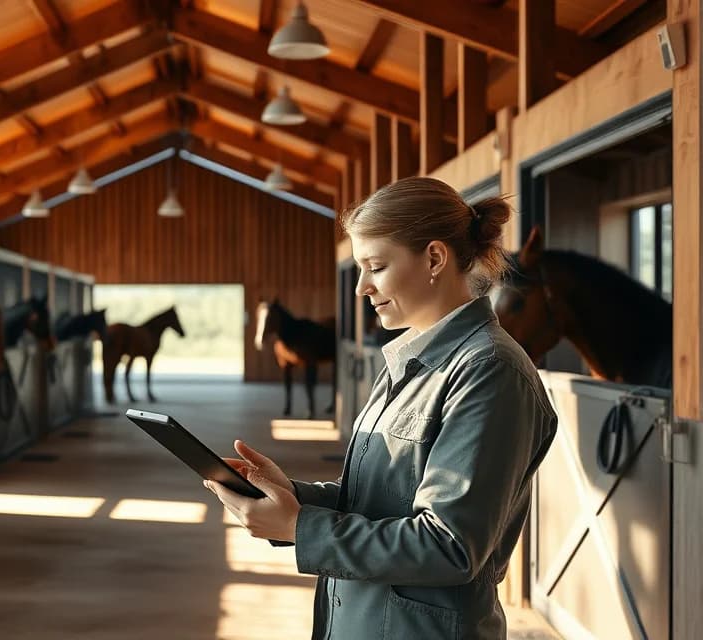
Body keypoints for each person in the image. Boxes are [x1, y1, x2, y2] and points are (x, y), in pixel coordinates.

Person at [204, 176, 558, 639]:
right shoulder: (407, 359)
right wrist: (291, 495)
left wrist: (301, 528)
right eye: (359, 268)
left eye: (375, 266)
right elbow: (377, 502)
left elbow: (448, 545)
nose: (361, 288)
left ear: (434, 257)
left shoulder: (489, 371)